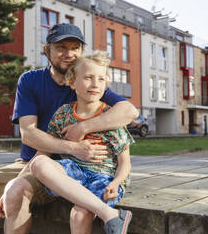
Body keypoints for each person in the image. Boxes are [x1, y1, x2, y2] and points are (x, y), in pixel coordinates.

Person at [0, 23, 138, 234]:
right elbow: (29, 134)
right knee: (10, 191)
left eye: (75, 48)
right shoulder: (30, 80)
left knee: (76, 209)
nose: (69, 54)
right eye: (61, 47)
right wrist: (72, 147)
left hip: (80, 169)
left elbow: (129, 111)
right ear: (47, 50)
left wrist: (83, 127)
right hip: (34, 163)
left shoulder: (88, 82)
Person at [29, 51, 133, 234]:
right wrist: (17, 182)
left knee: (79, 214)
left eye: (101, 79)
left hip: (104, 177)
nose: (95, 84)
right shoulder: (63, 114)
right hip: (73, 173)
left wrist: (116, 183)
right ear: (72, 82)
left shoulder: (111, 118)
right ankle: (110, 214)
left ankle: (108, 213)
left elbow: (125, 163)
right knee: (38, 163)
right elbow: (42, 151)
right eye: (88, 78)